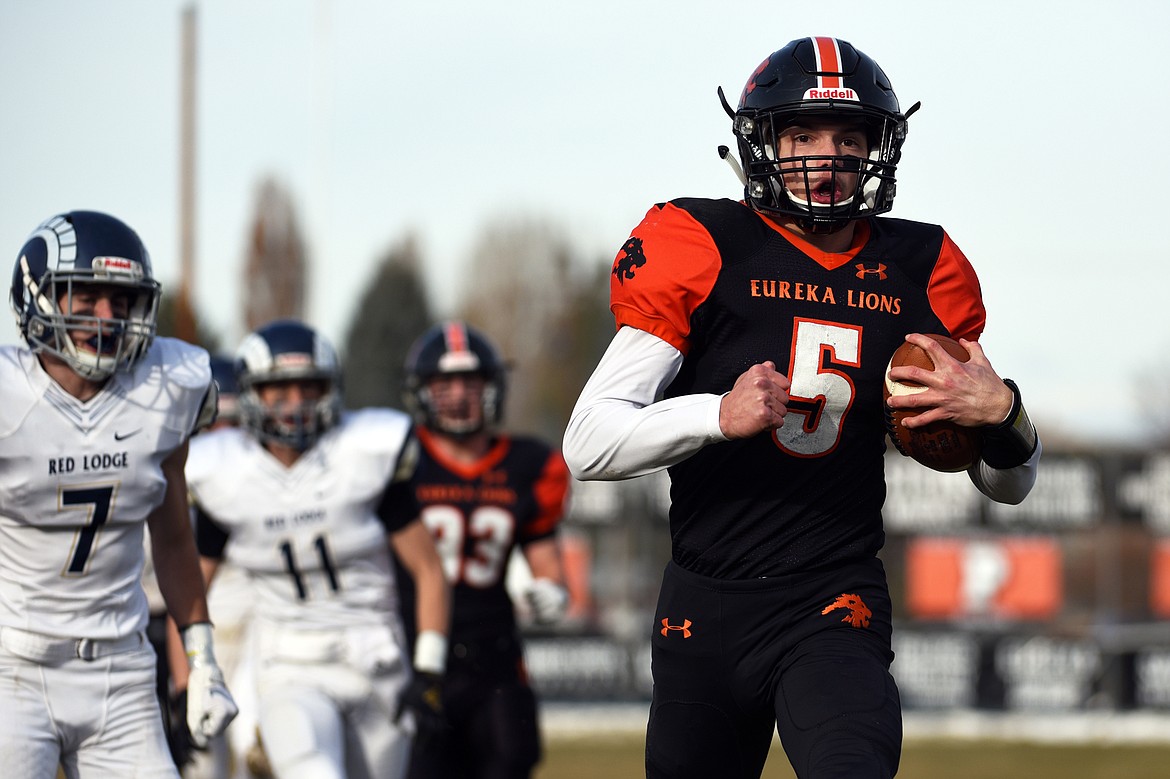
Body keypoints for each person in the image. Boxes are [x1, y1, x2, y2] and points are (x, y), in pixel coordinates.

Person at [563, 37, 1042, 779]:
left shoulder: (925, 269)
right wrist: (714, 415)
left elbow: (1009, 484)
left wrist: (1004, 415)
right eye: (804, 135)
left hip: (833, 593)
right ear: (764, 144)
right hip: (705, 603)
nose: (829, 155)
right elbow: (588, 442)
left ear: (877, 151)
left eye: (850, 138)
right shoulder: (701, 244)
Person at [0, 210, 238, 778]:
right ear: (40, 298)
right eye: (86, 298)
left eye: (121, 300)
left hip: (121, 668)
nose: (107, 318)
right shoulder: (10, 399)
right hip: (13, 668)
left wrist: (202, 659)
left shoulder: (167, 389)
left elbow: (176, 540)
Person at [184, 319, 450, 779]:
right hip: (289, 664)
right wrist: (185, 681)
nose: (296, 404)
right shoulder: (224, 472)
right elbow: (189, 590)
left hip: (377, 662)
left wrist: (429, 672)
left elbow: (428, 570)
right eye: (279, 391)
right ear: (251, 394)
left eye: (309, 388)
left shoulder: (363, 453)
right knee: (312, 771)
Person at [397, 321, 571, 779]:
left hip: (493, 655)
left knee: (512, 758)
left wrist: (553, 593)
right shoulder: (398, 458)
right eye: (445, 383)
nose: (459, 395)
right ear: (422, 391)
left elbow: (544, 558)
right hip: (410, 650)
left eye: (470, 382)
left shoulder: (527, 464)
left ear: (492, 387)